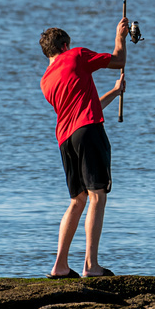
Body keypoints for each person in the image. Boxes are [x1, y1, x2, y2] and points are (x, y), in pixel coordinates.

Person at [40, 17, 129, 279]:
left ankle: (60, 266)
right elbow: (118, 60)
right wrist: (120, 37)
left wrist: (114, 92)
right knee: (97, 195)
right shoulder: (77, 55)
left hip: (66, 139)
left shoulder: (46, 81)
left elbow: (82, 110)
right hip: (88, 133)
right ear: (66, 45)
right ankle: (91, 265)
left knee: (77, 201)